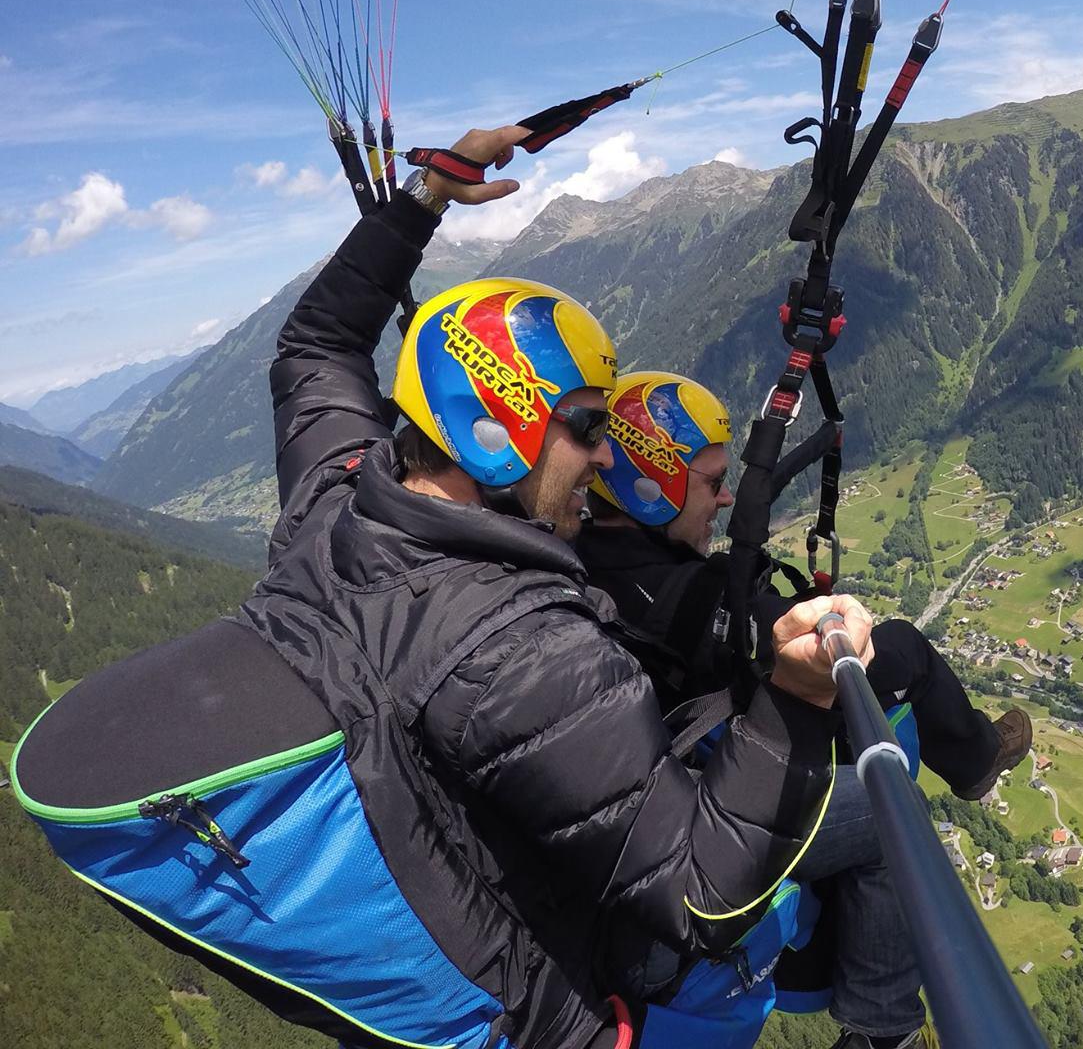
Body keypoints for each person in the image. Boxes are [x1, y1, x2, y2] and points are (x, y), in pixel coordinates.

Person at [244, 122, 880, 1049]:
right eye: (584, 425)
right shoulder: (522, 647)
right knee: (870, 814)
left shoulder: (331, 495)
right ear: (493, 429)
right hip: (568, 992)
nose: (607, 453)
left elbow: (315, 346)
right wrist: (793, 701)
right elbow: (699, 893)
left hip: (450, 905)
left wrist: (424, 199)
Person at [581, 371, 1034, 1048]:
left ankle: (970, 762)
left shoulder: (584, 557)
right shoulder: (688, 598)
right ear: (650, 487)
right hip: (691, 822)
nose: (727, 495)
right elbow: (799, 638)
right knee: (889, 800)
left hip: (657, 798)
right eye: (711, 482)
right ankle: (884, 1030)